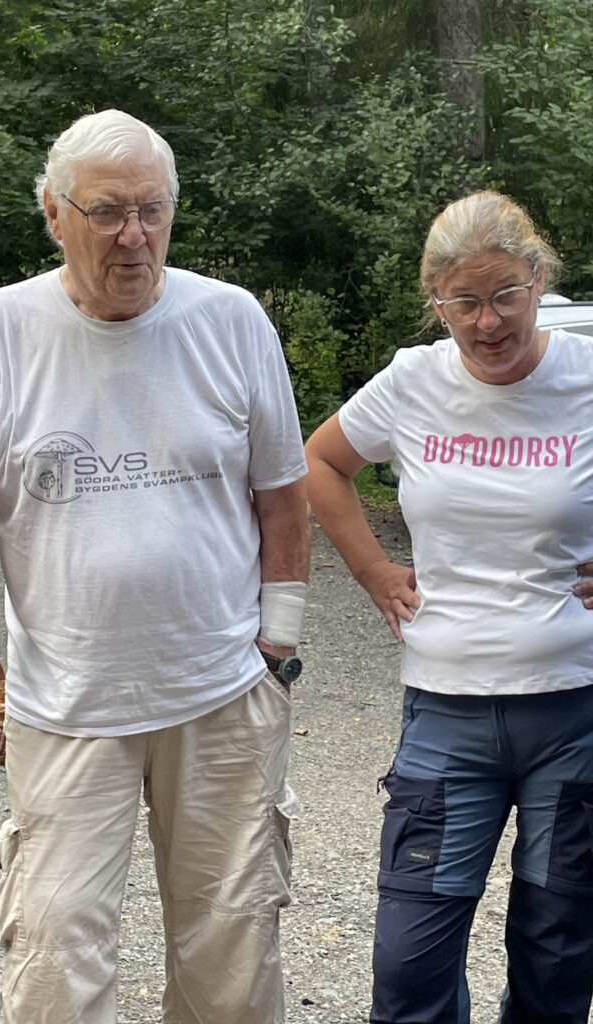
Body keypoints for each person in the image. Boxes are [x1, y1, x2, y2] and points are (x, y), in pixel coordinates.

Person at [0, 109, 310, 1024]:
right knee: (53, 963)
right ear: (54, 213)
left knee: (233, 956)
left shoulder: (232, 320)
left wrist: (278, 648)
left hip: (221, 696)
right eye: (108, 212)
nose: (135, 236)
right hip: (67, 705)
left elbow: (283, 497)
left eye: (153, 211)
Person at [305, 191, 593, 1024]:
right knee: (409, 968)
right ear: (436, 303)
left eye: (505, 295)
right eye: (463, 302)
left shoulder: (585, 375)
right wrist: (374, 571)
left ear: (539, 281)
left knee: (559, 957)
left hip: (574, 709)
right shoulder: (412, 381)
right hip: (446, 710)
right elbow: (320, 462)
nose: (487, 322)